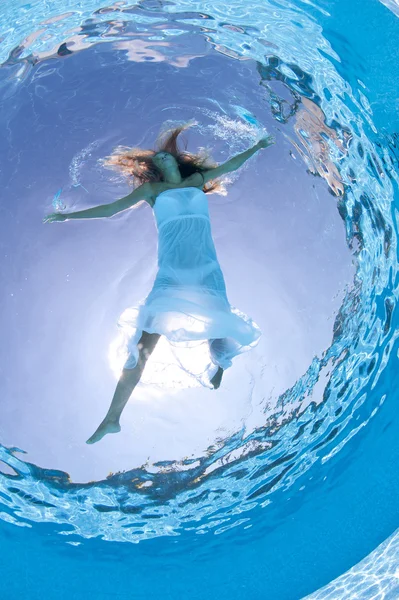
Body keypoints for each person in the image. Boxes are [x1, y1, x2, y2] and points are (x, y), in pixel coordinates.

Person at [43, 123, 275, 443]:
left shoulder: (196, 180)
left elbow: (230, 165)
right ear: (156, 169)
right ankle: (112, 418)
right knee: (142, 344)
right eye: (160, 158)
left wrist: (257, 147)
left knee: (219, 325)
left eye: (168, 156)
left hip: (206, 268)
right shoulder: (152, 192)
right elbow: (111, 210)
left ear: (176, 162)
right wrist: (68, 217)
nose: (164, 158)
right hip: (172, 274)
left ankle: (218, 366)